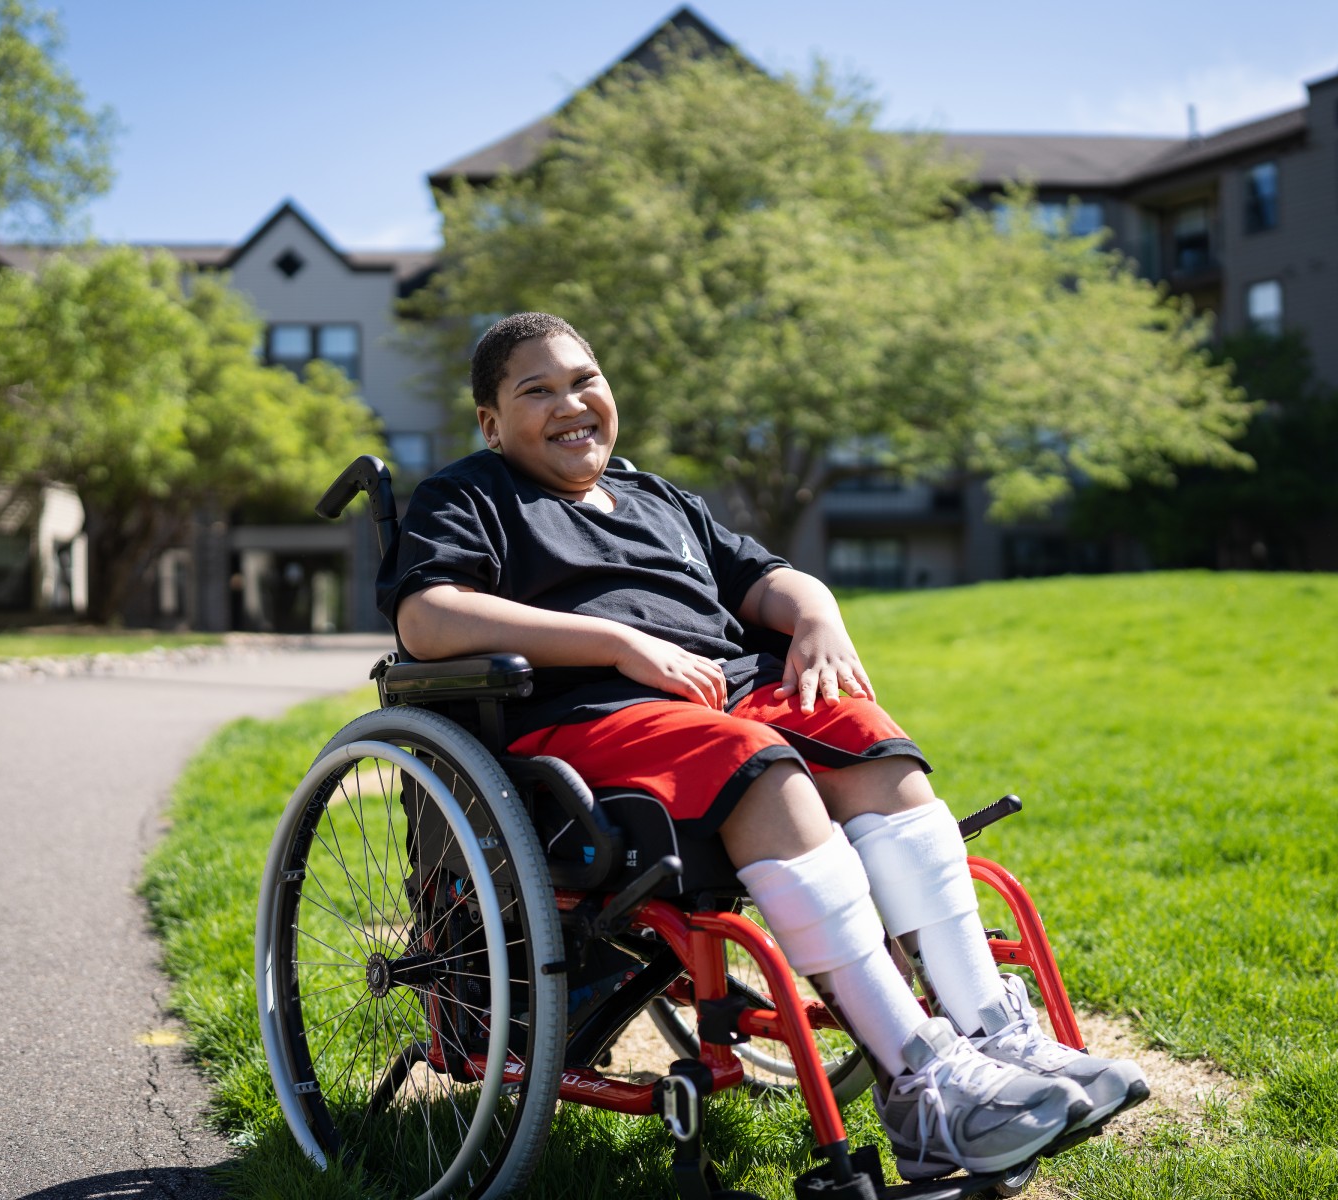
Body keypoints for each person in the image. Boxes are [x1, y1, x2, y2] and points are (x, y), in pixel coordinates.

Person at [377, 312, 1147, 1180]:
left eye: (585, 379)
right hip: (590, 717)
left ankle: (996, 1040)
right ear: (491, 422)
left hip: (723, 701)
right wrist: (617, 644)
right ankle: (920, 1083)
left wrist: (817, 616)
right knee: (763, 769)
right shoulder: (471, 493)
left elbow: (769, 579)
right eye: (538, 391)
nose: (572, 404)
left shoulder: (658, 500)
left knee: (872, 747)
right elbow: (427, 616)